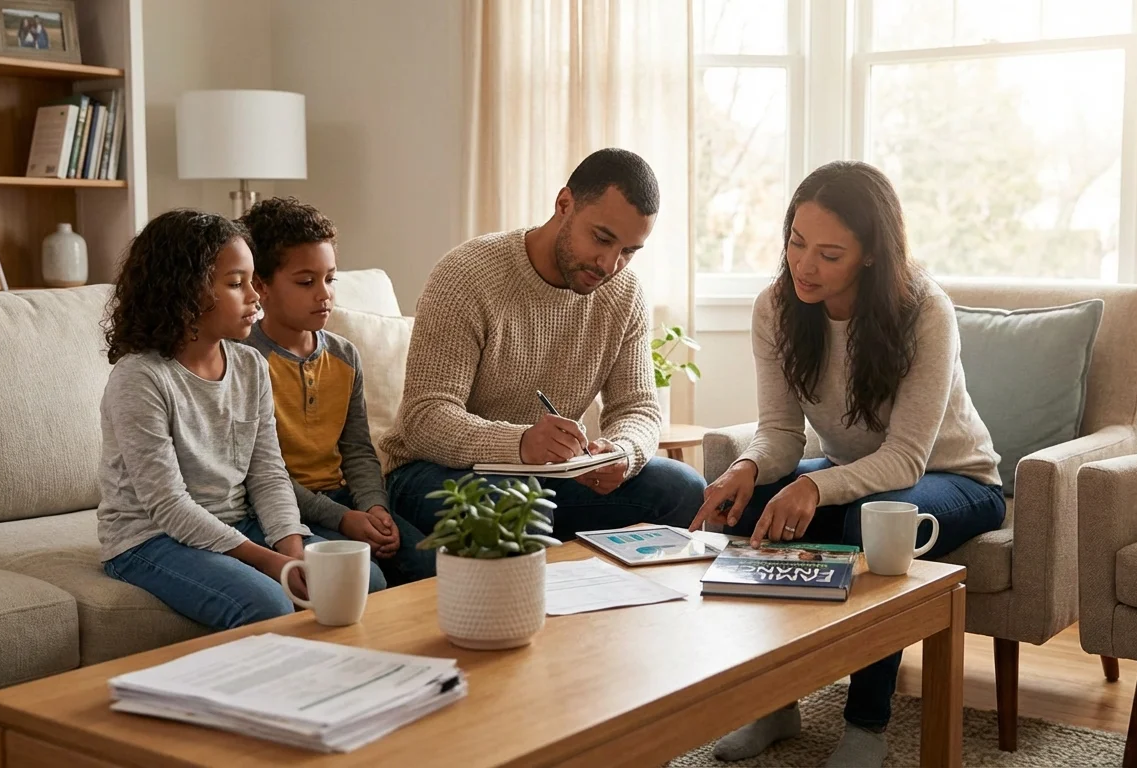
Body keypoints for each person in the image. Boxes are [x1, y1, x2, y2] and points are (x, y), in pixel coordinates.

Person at [689, 161, 1005, 767]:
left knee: (872, 519)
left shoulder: (924, 311)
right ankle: (773, 701)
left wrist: (817, 487)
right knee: (745, 505)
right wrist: (749, 469)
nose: (804, 265)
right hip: (857, 470)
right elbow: (781, 434)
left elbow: (907, 460)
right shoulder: (776, 308)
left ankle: (866, 727)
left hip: (958, 479)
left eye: (829, 254)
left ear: (869, 254)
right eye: (796, 242)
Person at [381, 148, 705, 540]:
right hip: (434, 472)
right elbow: (424, 417)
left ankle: (615, 598)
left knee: (683, 488)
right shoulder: (466, 275)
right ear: (564, 204)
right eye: (602, 238)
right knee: (520, 509)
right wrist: (519, 443)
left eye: (628, 252)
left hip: (547, 477)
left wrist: (622, 452)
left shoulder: (623, 293)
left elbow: (638, 407)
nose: (609, 264)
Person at [96, 209, 385, 632]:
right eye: (236, 284)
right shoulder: (140, 378)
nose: (256, 295)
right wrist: (271, 562)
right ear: (185, 291)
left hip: (238, 521)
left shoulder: (249, 365)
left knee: (367, 581)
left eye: (253, 281)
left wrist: (293, 547)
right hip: (151, 538)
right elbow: (168, 505)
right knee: (266, 603)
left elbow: (268, 474)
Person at [239, 196, 435, 585]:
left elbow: (358, 450)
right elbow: (257, 473)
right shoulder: (245, 362)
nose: (324, 294)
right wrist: (343, 519)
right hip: (282, 510)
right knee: (367, 578)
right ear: (261, 285)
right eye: (306, 282)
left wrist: (374, 508)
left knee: (432, 569)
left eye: (330, 278)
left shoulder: (345, 356)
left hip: (344, 500)